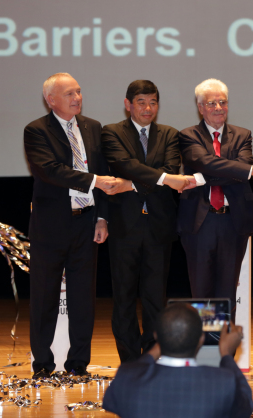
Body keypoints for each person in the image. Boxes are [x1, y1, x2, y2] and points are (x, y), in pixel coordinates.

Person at [24, 73, 116, 378]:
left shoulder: (93, 127)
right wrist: (93, 180)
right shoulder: (37, 130)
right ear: (51, 99)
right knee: (44, 298)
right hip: (51, 227)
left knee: (82, 300)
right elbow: (51, 170)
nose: (77, 98)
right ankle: (43, 365)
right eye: (68, 94)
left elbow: (102, 170)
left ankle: (79, 364)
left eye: (78, 92)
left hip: (86, 223)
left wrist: (102, 216)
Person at [101, 80, 196, 363]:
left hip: (159, 227)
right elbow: (123, 164)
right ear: (128, 104)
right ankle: (130, 360)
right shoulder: (112, 132)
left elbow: (169, 169)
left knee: (156, 298)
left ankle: (152, 356)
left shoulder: (169, 134)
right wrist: (164, 179)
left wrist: (129, 186)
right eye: (141, 102)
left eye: (153, 102)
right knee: (124, 298)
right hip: (123, 227)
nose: (148, 108)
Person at [178, 78, 253, 318]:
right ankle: (207, 351)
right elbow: (206, 162)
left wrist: (199, 178)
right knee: (202, 292)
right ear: (200, 107)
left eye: (223, 102)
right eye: (211, 103)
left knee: (227, 292)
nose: (218, 107)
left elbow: (242, 168)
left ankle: (221, 352)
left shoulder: (242, 135)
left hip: (233, 222)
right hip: (200, 222)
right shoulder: (188, 136)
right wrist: (236, 172)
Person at [102, 303, 253, 418]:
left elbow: (110, 402)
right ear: (201, 339)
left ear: (156, 336)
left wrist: (157, 346)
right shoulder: (222, 382)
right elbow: (246, 405)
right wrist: (226, 353)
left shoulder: (127, 378)